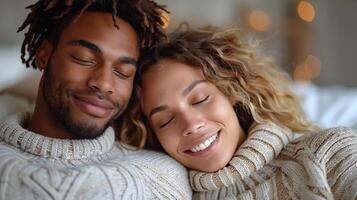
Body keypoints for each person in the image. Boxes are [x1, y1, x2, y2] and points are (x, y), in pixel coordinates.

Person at [119, 27, 357, 199]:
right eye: (166, 121)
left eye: (200, 99)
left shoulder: (330, 153)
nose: (190, 124)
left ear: (231, 91)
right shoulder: (164, 191)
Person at [0, 1, 192, 199]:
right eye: (84, 59)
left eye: (123, 72)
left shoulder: (161, 177)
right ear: (44, 55)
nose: (104, 83)